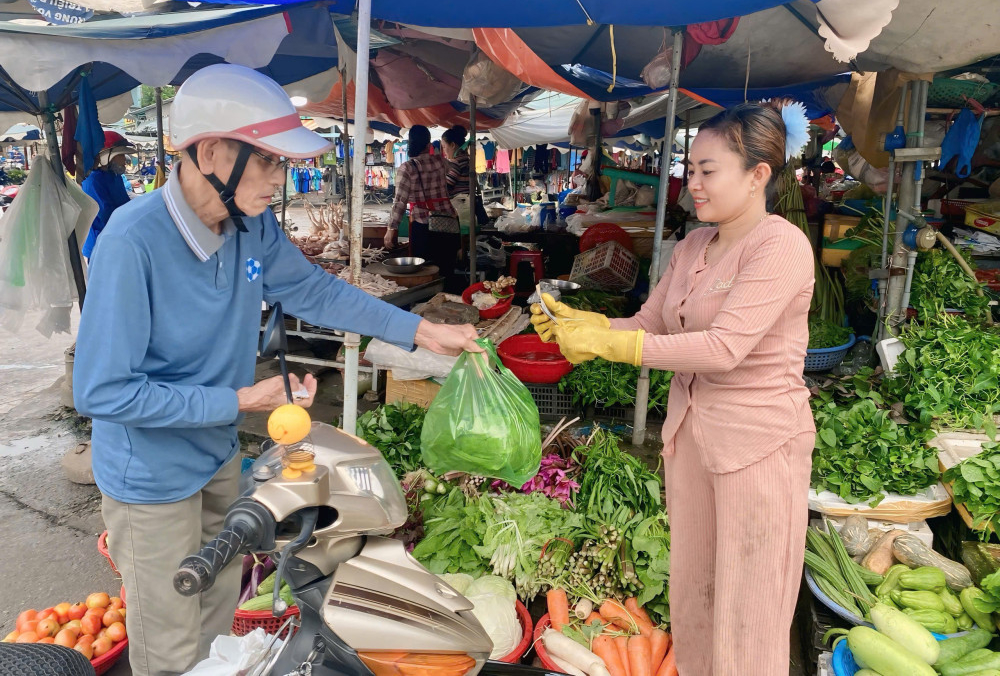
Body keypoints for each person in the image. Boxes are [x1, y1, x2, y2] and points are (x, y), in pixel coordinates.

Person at [73, 64, 482, 676]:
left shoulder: (251, 224)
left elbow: (314, 290)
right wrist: (241, 400)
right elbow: (102, 391)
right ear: (210, 153)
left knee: (218, 628)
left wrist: (423, 333)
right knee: (171, 650)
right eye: (266, 160)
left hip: (217, 456)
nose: (279, 178)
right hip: (151, 478)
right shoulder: (132, 242)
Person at [532, 101, 815, 675]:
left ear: (758, 174)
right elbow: (648, 325)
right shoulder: (691, 247)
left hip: (758, 447)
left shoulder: (780, 246)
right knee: (696, 587)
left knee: (750, 601)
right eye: (692, 169)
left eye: (709, 170)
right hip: (691, 440)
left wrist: (615, 346)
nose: (694, 183)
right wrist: (584, 326)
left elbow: (724, 348)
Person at [384, 125, 461, 287]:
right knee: (446, 269)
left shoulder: (407, 168)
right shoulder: (440, 161)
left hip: (424, 226)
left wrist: (391, 229)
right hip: (448, 223)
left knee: (424, 273)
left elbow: (400, 201)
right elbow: (454, 167)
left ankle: (428, 300)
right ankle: (448, 297)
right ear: (428, 144)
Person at [81, 131, 136, 259]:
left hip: (116, 242)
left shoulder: (115, 177)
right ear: (106, 156)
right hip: (100, 247)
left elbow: (124, 204)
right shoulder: (93, 182)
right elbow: (108, 216)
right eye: (121, 155)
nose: (124, 160)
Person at [440, 125, 488, 225]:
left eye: (444, 147)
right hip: (469, 206)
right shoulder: (467, 159)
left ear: (452, 145)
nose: (444, 151)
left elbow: (447, 187)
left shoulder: (455, 163)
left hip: (460, 208)